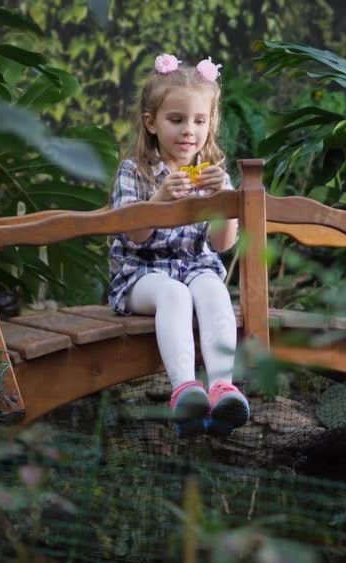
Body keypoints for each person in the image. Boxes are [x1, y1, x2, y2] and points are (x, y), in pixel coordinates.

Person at [108, 53, 248, 438]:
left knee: (214, 291)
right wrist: (160, 200)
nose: (189, 131)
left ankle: (222, 389)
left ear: (210, 124)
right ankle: (184, 389)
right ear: (151, 122)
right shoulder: (134, 172)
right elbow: (133, 235)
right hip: (141, 276)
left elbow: (222, 244)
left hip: (196, 267)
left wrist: (224, 202)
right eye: (177, 120)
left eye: (199, 121)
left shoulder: (213, 175)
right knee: (174, 294)